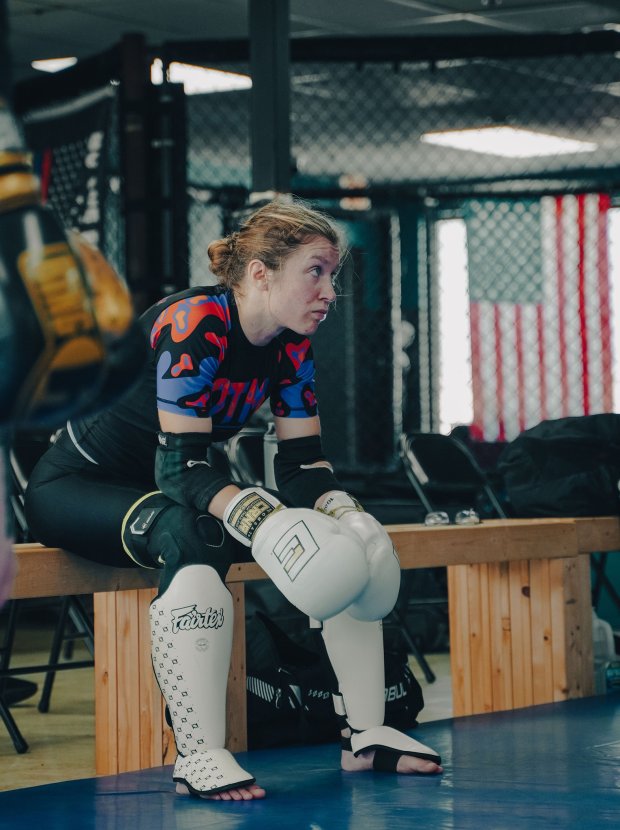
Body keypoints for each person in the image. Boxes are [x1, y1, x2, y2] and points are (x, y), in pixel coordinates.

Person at [24, 198, 442, 801]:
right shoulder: (196, 321)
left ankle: (368, 732)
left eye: (334, 275)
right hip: (79, 488)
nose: (330, 291)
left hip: (177, 483)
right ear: (260, 273)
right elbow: (180, 467)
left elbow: (302, 467)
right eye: (315, 271)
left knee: (339, 541)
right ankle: (198, 754)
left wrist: (347, 516)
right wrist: (257, 513)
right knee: (194, 534)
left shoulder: (292, 343)